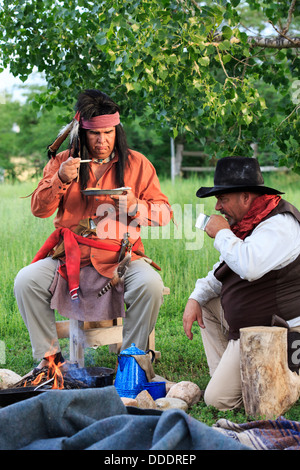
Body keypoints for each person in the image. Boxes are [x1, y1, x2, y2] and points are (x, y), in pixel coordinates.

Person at [14, 89, 172, 370]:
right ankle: (51, 362)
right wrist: (61, 178)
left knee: (150, 284)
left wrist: (133, 206)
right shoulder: (63, 161)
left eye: (109, 133)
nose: (103, 141)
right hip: (70, 258)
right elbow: (39, 209)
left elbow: (164, 215)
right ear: (82, 134)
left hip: (121, 259)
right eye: (95, 134)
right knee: (26, 281)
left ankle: (133, 361)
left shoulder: (137, 163)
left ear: (117, 131)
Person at [182, 156, 300, 411]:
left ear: (246, 197)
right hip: (251, 326)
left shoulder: (280, 225)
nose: (218, 206)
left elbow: (249, 266)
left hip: (275, 331)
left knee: (217, 401)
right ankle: (231, 376)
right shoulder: (250, 223)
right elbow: (224, 269)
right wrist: (195, 298)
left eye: (223, 199)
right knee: (206, 304)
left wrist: (222, 233)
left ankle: (286, 381)